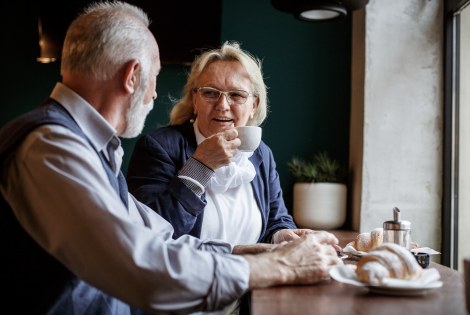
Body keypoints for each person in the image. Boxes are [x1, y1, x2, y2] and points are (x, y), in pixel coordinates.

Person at [0, 2, 343, 315]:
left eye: (236, 95)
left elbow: (158, 238)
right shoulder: (52, 148)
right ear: (133, 76)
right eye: (155, 76)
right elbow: (138, 264)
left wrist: (262, 252)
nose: (153, 94)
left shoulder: (86, 145)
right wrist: (280, 267)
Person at [126, 41, 313, 246]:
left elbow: (276, 220)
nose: (223, 106)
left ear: (254, 105)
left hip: (253, 274)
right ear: (195, 100)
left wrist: (282, 234)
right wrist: (200, 166)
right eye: (210, 93)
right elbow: (150, 235)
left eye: (236, 95)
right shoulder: (158, 147)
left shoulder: (261, 154)